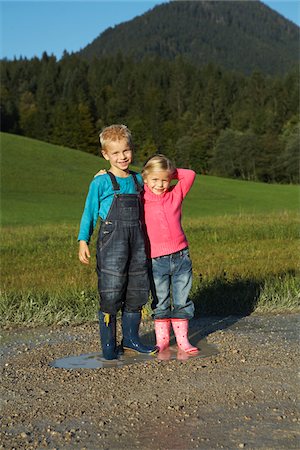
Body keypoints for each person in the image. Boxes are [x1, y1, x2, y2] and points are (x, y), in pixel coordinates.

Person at [78, 124, 157, 360]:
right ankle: (109, 345)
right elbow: (89, 212)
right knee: (111, 291)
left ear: (132, 150)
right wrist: (83, 240)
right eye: (115, 153)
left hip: (138, 244)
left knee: (137, 290)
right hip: (112, 243)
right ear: (105, 155)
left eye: (126, 151)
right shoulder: (100, 182)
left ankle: (132, 339)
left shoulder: (137, 180)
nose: (122, 157)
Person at [141, 154, 199, 354]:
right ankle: (163, 340)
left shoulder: (176, 193)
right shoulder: (141, 197)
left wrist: (168, 171)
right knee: (161, 301)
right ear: (145, 179)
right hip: (155, 260)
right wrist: (149, 175)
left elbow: (190, 174)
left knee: (182, 300)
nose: (160, 184)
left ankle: (183, 341)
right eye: (155, 180)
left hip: (181, 256)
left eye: (164, 180)